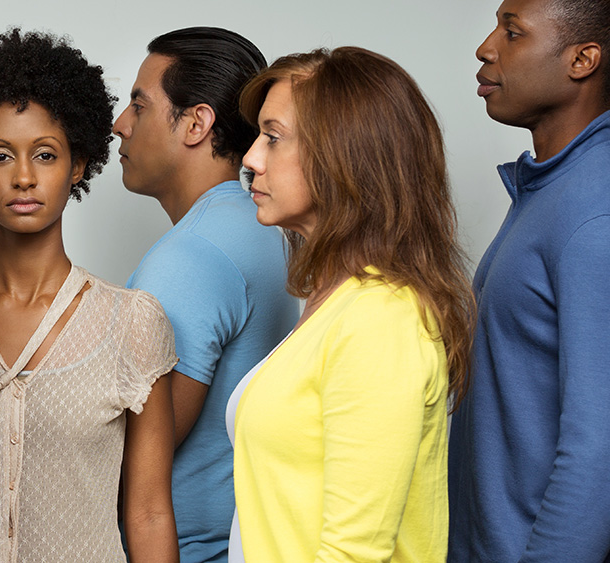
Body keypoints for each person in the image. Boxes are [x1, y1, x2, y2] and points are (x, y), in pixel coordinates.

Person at [0, 29, 179, 563]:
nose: (24, 177)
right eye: (1, 157)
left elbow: (149, 512)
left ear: (78, 166)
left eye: (45, 154)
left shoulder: (131, 323)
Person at [229, 47, 474, 562]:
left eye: (272, 138)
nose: (250, 158)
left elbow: (353, 554)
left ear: (344, 155)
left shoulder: (382, 319)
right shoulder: (337, 300)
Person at [113, 27, 299, 562]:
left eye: (139, 106)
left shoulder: (190, 255)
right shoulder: (267, 228)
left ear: (196, 123)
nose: (120, 125)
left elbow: (137, 451)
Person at [448, 0, 610, 560]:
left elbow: (600, 449)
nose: (486, 47)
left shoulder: (596, 206)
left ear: (583, 59)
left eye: (512, 32)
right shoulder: (552, 189)